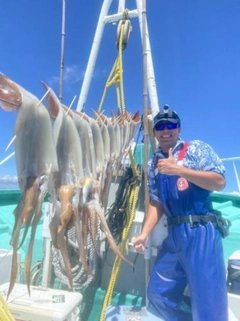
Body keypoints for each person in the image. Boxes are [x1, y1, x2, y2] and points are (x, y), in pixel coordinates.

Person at [133, 105, 228, 321]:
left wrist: (179, 170)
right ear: (155, 131)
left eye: (171, 125)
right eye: (160, 126)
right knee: (158, 293)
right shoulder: (152, 163)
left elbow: (219, 182)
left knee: (208, 301)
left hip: (201, 232)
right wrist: (144, 234)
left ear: (179, 129)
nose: (165, 130)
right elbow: (156, 203)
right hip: (174, 234)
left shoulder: (196, 149)